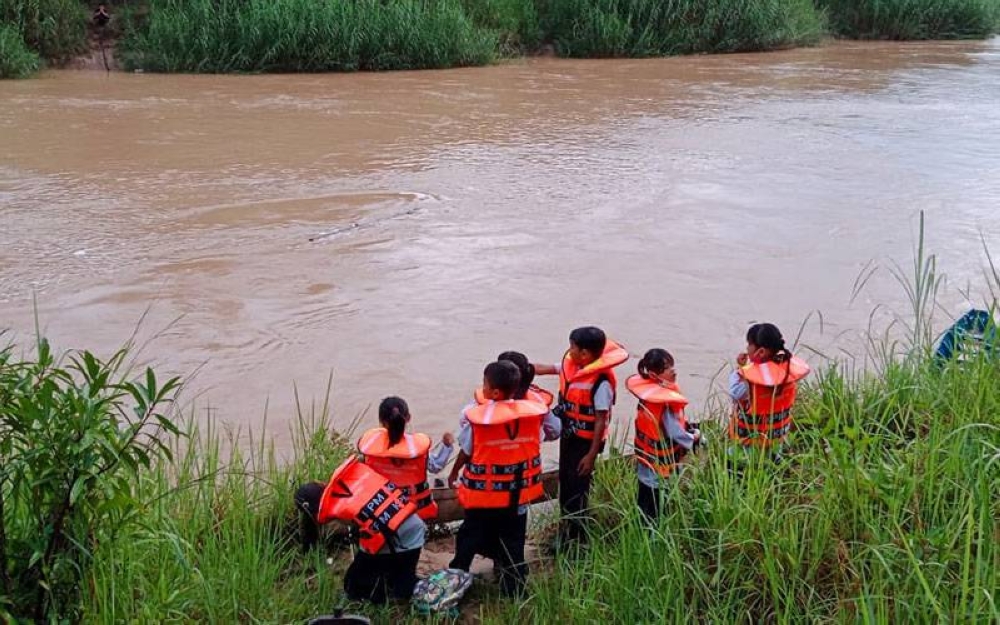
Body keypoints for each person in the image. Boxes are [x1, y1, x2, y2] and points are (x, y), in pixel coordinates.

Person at [447, 360, 552, 596]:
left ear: (494, 390)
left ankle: (456, 581)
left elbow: (466, 449)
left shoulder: (477, 420)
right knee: (514, 543)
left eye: (484, 383)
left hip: (484, 496)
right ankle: (514, 590)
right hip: (517, 496)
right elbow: (541, 439)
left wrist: (454, 473)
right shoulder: (533, 416)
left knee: (468, 538)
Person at [533, 326, 628, 543]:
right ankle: (567, 530)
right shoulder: (573, 366)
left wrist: (592, 455)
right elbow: (547, 368)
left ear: (585, 353)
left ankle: (577, 540)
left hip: (585, 445)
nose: (569, 351)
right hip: (570, 436)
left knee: (577, 491)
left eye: (572, 347)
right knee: (565, 483)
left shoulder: (601, 383)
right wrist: (524, 369)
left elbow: (600, 420)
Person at [295, 457, 425, 604]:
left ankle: (394, 593)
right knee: (401, 580)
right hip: (416, 527)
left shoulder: (338, 509)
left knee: (353, 586)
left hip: (399, 540)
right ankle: (404, 585)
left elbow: (368, 537)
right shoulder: (349, 484)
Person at [625, 348, 700, 522]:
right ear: (654, 374)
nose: (673, 370)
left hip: (646, 463)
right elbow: (674, 432)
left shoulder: (648, 396)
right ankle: (652, 541)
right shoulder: (663, 402)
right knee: (656, 510)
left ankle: (643, 534)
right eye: (667, 368)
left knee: (644, 505)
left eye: (672, 366)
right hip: (660, 469)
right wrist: (694, 438)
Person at [356, 396, 453, 521]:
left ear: (381, 421)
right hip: (416, 512)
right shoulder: (416, 448)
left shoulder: (369, 446)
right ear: (408, 418)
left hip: (381, 514)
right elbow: (436, 466)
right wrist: (446, 446)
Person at [728, 323, 811, 462]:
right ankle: (774, 459)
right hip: (776, 439)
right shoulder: (786, 371)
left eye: (749, 344)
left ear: (760, 352)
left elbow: (735, 393)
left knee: (730, 455)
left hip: (751, 442)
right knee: (772, 452)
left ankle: (747, 469)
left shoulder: (753, 380)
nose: (747, 349)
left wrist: (739, 370)